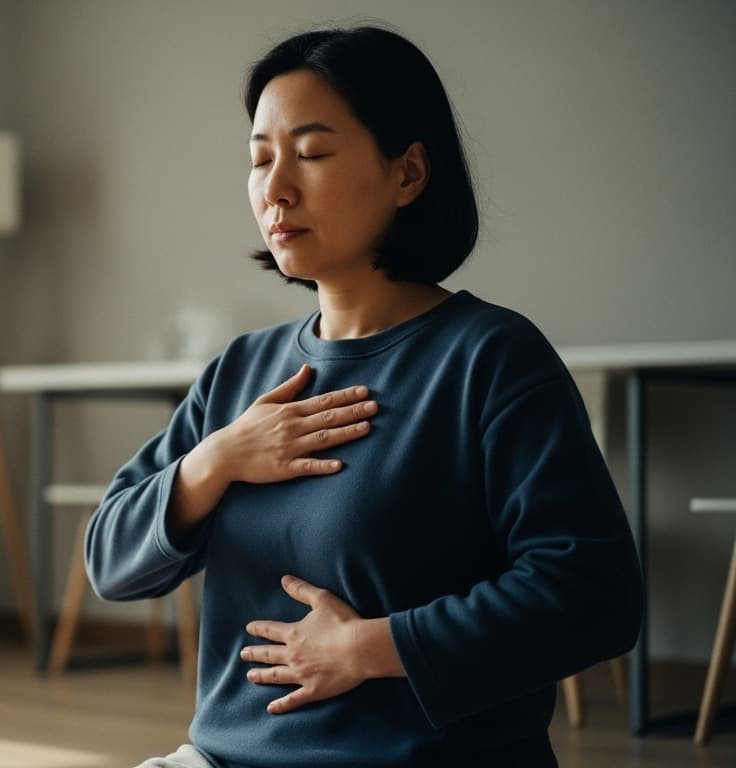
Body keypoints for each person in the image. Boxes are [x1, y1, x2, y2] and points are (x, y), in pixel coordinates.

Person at [84, 26, 643, 768]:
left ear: (408, 173)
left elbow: (595, 596)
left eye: (312, 153)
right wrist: (215, 461)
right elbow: (110, 563)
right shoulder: (241, 372)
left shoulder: (490, 357)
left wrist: (369, 648)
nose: (276, 188)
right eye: (260, 159)